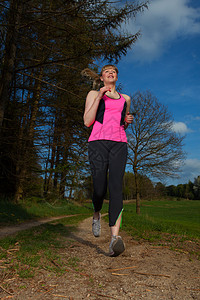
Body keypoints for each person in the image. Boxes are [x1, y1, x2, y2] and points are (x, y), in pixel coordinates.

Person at [83, 65, 133, 256]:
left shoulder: (126, 99)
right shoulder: (93, 94)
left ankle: (114, 239)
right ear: (102, 78)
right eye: (106, 71)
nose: (110, 72)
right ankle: (96, 213)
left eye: (114, 71)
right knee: (99, 188)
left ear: (116, 77)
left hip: (119, 144)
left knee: (115, 187)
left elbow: (122, 124)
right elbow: (88, 121)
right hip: (97, 143)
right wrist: (99, 95)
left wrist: (126, 122)